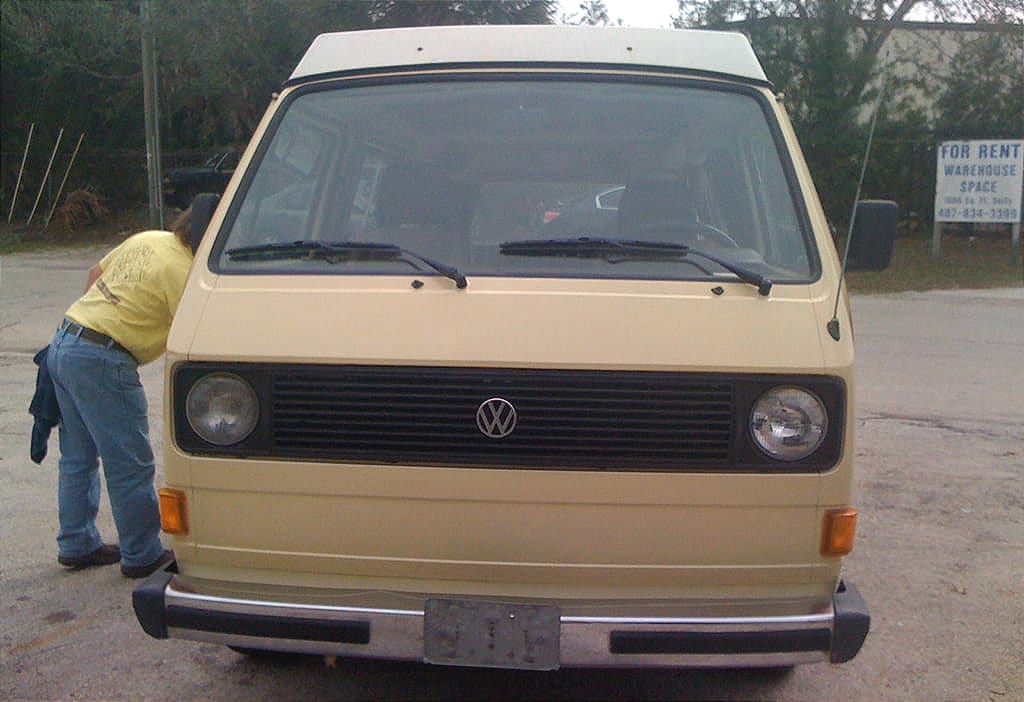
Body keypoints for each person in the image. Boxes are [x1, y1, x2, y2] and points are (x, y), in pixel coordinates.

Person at [47, 208, 194, 578]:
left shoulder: (150, 238)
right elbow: (192, 336)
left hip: (67, 337)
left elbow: (94, 274)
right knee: (129, 462)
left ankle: (76, 543)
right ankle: (142, 554)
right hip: (104, 358)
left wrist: (93, 326)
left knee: (77, 455)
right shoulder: (186, 273)